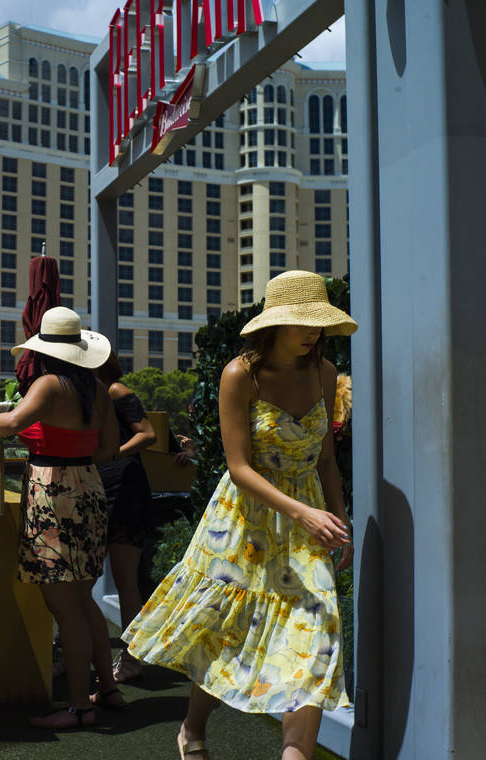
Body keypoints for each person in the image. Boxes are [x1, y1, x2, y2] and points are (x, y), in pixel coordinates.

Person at [122, 270, 356, 760]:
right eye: (302, 321)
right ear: (275, 323)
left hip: (306, 520)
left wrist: (339, 519)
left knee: (316, 635)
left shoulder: (325, 373)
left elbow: (326, 459)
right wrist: (306, 514)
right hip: (245, 519)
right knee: (227, 630)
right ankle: (192, 729)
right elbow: (239, 468)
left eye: (318, 322)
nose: (313, 331)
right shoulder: (239, 375)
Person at [0, 306, 121, 729]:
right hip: (88, 487)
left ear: (44, 351)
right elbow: (109, 449)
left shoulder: (48, 384)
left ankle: (78, 707)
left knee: (64, 607)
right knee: (83, 600)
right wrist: (75, 454)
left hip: (52, 491)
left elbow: (13, 422)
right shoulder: (98, 389)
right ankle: (108, 689)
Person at [94, 351, 157, 685]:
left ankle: (132, 658)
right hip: (96, 488)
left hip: (124, 488)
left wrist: (111, 454)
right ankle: (72, 652)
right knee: (82, 581)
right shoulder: (86, 392)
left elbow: (147, 433)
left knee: (125, 580)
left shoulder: (114, 390)